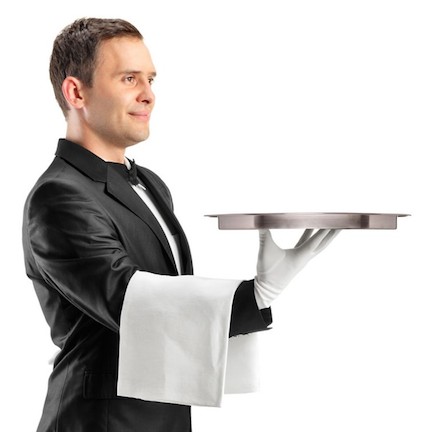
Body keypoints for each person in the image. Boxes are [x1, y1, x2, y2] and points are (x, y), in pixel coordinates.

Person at [22, 18, 339, 432]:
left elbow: (169, 301)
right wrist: (253, 296)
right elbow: (128, 302)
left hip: (162, 414)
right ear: (76, 92)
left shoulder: (150, 184)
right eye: (129, 78)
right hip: (101, 422)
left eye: (150, 79)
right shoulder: (59, 195)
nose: (148, 94)